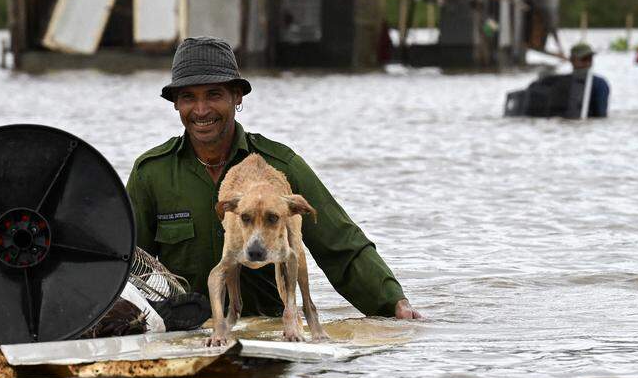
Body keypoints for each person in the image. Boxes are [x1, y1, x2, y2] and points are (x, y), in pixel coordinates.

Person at [126, 37, 422, 321]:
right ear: (176, 104)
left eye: (214, 95)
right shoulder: (151, 173)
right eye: (189, 97)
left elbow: (341, 245)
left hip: (267, 331)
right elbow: (126, 262)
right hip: (184, 332)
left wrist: (393, 302)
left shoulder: (281, 167)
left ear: (236, 96)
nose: (201, 110)